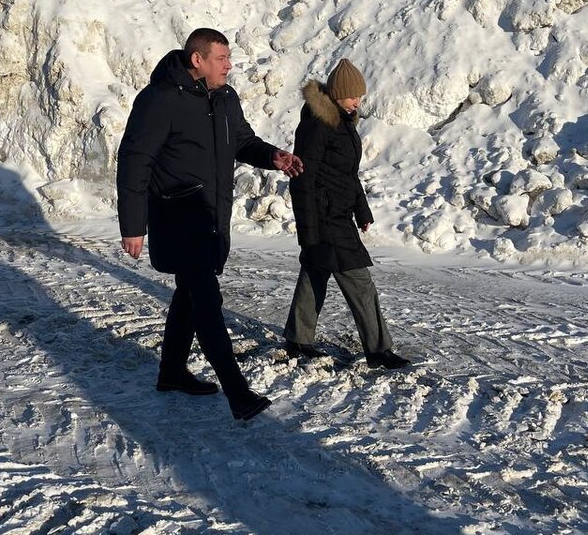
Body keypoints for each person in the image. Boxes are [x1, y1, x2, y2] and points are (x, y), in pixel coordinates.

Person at [117, 28, 303, 421]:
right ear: (197, 59)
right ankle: (237, 393)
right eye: (222, 59)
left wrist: (274, 157)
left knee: (189, 296)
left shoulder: (225, 98)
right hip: (176, 216)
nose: (229, 66)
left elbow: (242, 141)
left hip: (210, 215)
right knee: (207, 301)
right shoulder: (160, 99)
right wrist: (133, 225)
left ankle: (171, 373)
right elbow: (135, 161)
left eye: (229, 58)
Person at [284, 59, 409, 369]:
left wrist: (361, 210)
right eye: (353, 96)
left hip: (338, 214)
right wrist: (309, 231)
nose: (358, 102)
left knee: (316, 271)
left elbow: (347, 174)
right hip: (325, 218)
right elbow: (303, 178)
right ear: (337, 93)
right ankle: (378, 350)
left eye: (361, 97)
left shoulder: (344, 123)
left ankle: (298, 339)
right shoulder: (319, 125)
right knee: (360, 281)